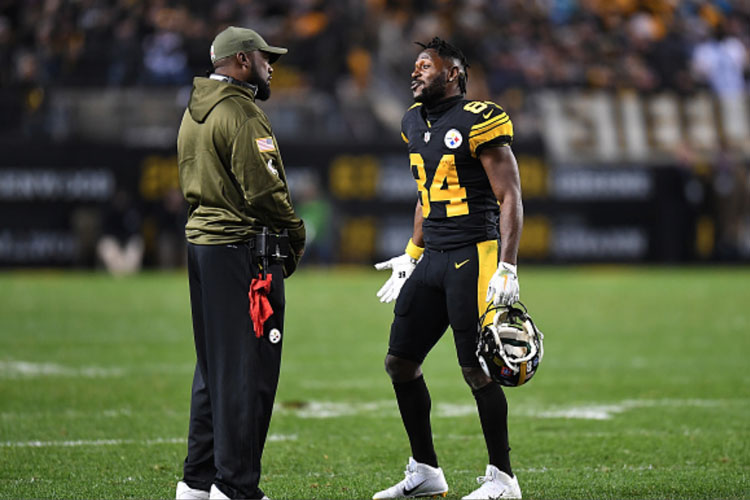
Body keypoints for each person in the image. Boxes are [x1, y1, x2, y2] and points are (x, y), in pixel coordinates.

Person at [373, 37, 524, 500]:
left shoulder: (480, 120)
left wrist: (507, 265)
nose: (415, 73)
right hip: (433, 256)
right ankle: (426, 471)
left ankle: (503, 479)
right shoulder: (412, 123)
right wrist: (411, 253)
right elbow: (426, 194)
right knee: (400, 361)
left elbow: (510, 196)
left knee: (476, 368)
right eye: (415, 66)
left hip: (473, 254)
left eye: (425, 66)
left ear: (453, 73)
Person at [174, 26, 305, 500]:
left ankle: (197, 482)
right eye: (266, 57)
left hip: (203, 246)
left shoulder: (195, 111)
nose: (273, 65)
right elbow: (264, 190)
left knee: (214, 369)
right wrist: (295, 231)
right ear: (244, 60)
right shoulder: (241, 113)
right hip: (242, 251)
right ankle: (236, 487)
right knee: (247, 371)